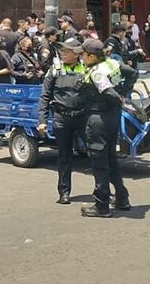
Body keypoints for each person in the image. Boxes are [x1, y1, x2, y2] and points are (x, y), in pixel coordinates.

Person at [76, 39, 133, 218]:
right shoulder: (112, 63)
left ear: (92, 56)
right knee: (111, 159)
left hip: (98, 118)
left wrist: (120, 99)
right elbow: (132, 73)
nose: (81, 58)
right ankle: (122, 198)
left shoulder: (96, 72)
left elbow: (107, 91)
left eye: (83, 55)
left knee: (99, 163)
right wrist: (125, 91)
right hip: (113, 117)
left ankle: (102, 205)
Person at [37, 38, 87, 205]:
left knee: (96, 154)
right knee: (64, 156)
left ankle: (102, 191)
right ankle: (64, 192)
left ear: (76, 53)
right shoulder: (55, 69)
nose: (62, 53)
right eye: (62, 51)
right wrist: (42, 120)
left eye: (66, 51)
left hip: (82, 117)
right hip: (62, 118)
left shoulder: (86, 68)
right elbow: (44, 96)